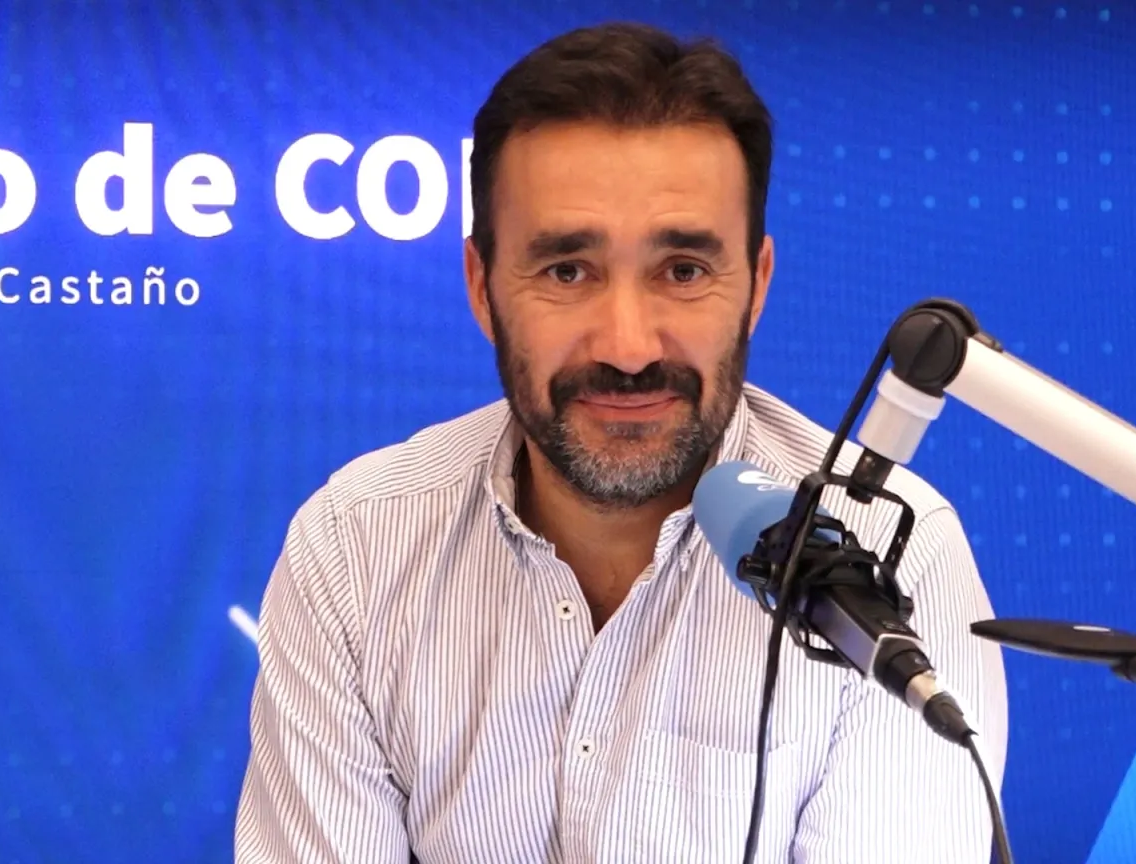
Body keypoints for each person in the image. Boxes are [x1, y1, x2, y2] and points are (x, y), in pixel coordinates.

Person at [235, 21, 1008, 864]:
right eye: (567, 271)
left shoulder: (888, 561)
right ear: (482, 288)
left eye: (683, 271)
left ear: (756, 287)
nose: (629, 347)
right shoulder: (355, 546)